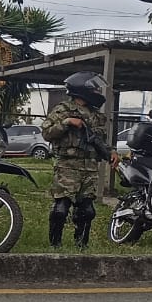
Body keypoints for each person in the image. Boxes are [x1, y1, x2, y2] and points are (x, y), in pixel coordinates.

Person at [41, 71, 110, 248]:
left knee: (87, 210)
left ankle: (81, 244)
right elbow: (47, 133)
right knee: (61, 208)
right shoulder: (63, 110)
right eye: (93, 88)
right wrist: (67, 122)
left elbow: (101, 140)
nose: (96, 91)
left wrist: (111, 153)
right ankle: (54, 244)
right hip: (68, 166)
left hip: (90, 167)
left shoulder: (96, 115)